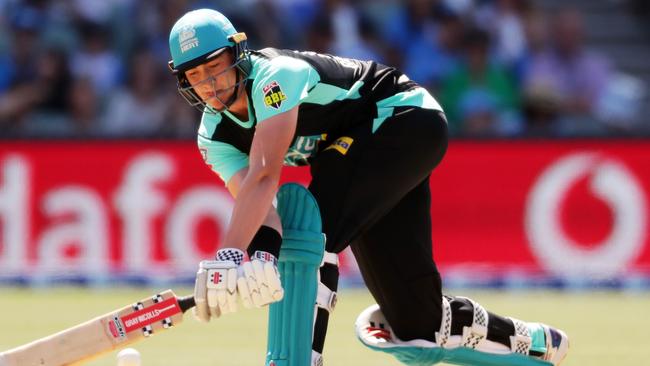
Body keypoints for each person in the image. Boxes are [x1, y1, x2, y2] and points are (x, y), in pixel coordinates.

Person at [167, 8, 569, 366]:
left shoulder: (275, 77)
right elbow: (263, 209)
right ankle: (531, 342)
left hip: (403, 120)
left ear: (237, 54)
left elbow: (265, 174)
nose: (210, 84)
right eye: (195, 75)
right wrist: (260, 255)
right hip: (361, 154)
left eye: (215, 66)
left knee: (312, 231)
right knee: (416, 329)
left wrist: (230, 253)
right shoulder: (214, 136)